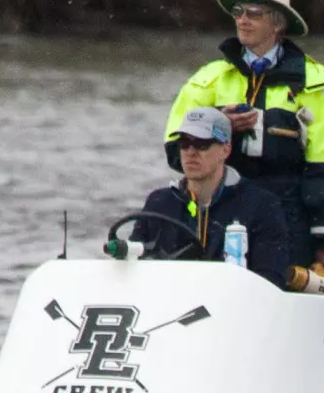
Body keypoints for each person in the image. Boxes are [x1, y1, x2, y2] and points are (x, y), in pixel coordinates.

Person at [165, 0, 324, 274]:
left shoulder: (314, 85)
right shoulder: (209, 78)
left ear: (278, 24)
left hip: (288, 217)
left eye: (254, 13)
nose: (242, 20)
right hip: (214, 212)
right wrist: (218, 126)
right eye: (238, 11)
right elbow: (177, 151)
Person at [130, 105, 306, 289]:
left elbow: (270, 281)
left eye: (202, 144)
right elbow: (132, 266)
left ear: (225, 150)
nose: (191, 152)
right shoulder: (159, 202)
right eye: (184, 143)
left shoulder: (262, 205)